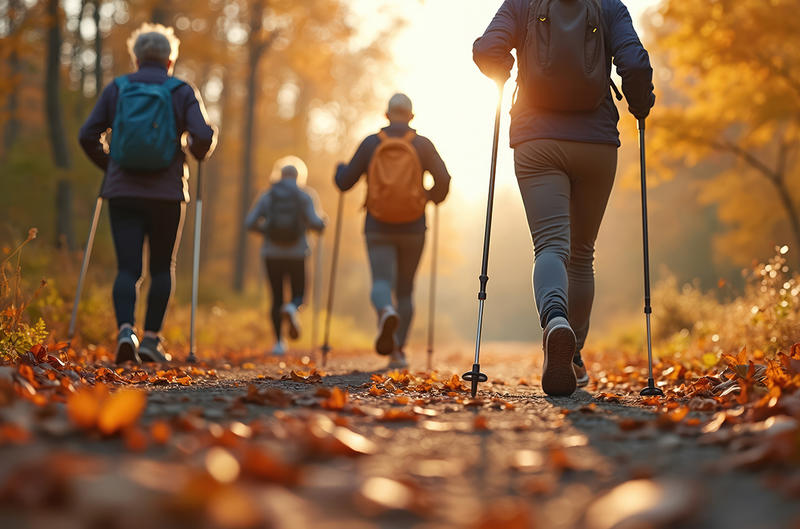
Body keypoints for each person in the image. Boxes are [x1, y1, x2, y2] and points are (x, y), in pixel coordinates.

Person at [473, 0, 656, 395]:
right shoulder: (609, 6)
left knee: (550, 246)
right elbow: (636, 66)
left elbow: (489, 49)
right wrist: (640, 104)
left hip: (536, 139)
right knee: (582, 253)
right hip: (597, 143)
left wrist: (501, 71)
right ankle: (573, 356)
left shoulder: (522, 4)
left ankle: (555, 321)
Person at [79, 23, 216, 364]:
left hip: (122, 191)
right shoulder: (181, 90)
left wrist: (110, 165)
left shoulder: (118, 88)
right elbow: (201, 137)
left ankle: (126, 330)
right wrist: (198, 147)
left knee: (127, 268)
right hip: (167, 193)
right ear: (170, 61)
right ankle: (152, 340)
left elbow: (88, 135)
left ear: (136, 58)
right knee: (160, 267)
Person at [335, 94, 451, 368]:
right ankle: (398, 351)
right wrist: (429, 197)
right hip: (413, 226)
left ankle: (386, 311)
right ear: (411, 116)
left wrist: (339, 170)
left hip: (378, 225)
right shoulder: (422, 145)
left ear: (386, 115)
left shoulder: (371, 143)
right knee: (406, 289)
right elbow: (444, 180)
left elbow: (344, 182)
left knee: (381, 283)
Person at [245, 158, 326, 356]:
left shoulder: (268, 195)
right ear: (299, 176)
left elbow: (249, 222)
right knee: (300, 293)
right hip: (298, 253)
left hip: (271, 254)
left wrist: (267, 230)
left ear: (279, 174)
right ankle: (292, 308)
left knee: (276, 297)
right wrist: (321, 223)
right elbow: (316, 223)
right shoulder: (305, 195)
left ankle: (279, 343)